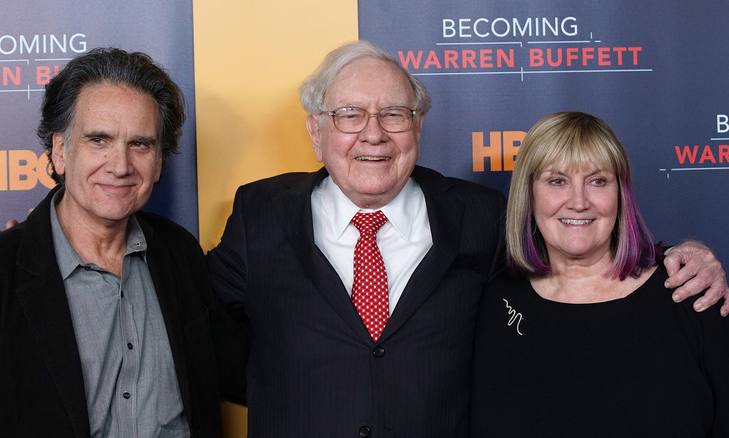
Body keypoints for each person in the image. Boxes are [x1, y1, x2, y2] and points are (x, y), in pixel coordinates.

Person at [206, 41, 728, 436]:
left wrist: (687, 255)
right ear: (316, 131)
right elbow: (192, 323)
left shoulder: (482, 215)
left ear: (419, 126)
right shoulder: (262, 215)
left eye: (394, 113)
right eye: (349, 114)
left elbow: (577, 256)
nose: (373, 134)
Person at [0, 48, 245, 437]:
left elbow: (239, 368)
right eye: (99, 140)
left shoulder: (179, 252)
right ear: (59, 152)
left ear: (159, 162)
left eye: (140, 144)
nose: (120, 166)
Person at [469, 112, 729, 436]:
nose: (579, 202)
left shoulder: (689, 293)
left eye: (597, 181)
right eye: (557, 181)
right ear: (529, 194)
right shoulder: (493, 303)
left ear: (621, 194)